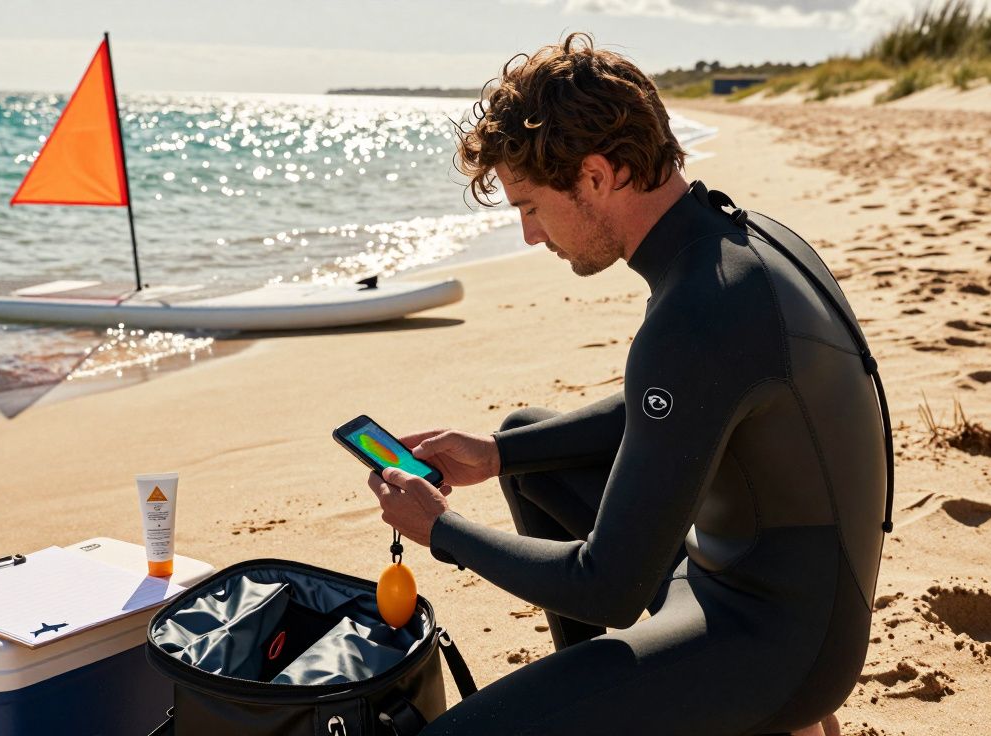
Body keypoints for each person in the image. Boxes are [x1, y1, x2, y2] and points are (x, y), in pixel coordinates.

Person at [365, 33, 886, 736]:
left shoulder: (696, 316)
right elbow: (676, 406)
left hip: (781, 648)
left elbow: (607, 586)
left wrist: (441, 529)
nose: (529, 236)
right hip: (768, 578)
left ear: (598, 175)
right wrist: (495, 455)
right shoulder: (739, 241)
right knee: (528, 444)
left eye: (531, 207)